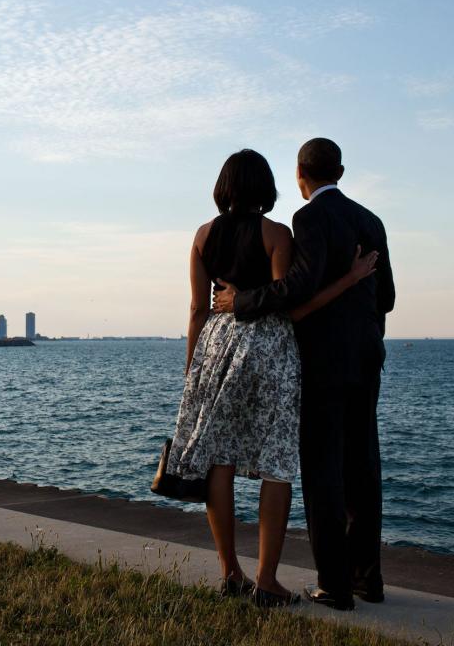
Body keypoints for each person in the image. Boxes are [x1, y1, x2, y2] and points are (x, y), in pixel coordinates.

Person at [168, 148, 377, 609]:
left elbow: (198, 309)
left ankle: (230, 573)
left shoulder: (201, 237)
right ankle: (267, 580)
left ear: (222, 187)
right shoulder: (277, 234)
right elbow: (292, 307)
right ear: (267, 187)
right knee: (276, 462)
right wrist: (348, 279)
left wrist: (192, 371)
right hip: (270, 351)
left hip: (215, 348)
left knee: (218, 459)